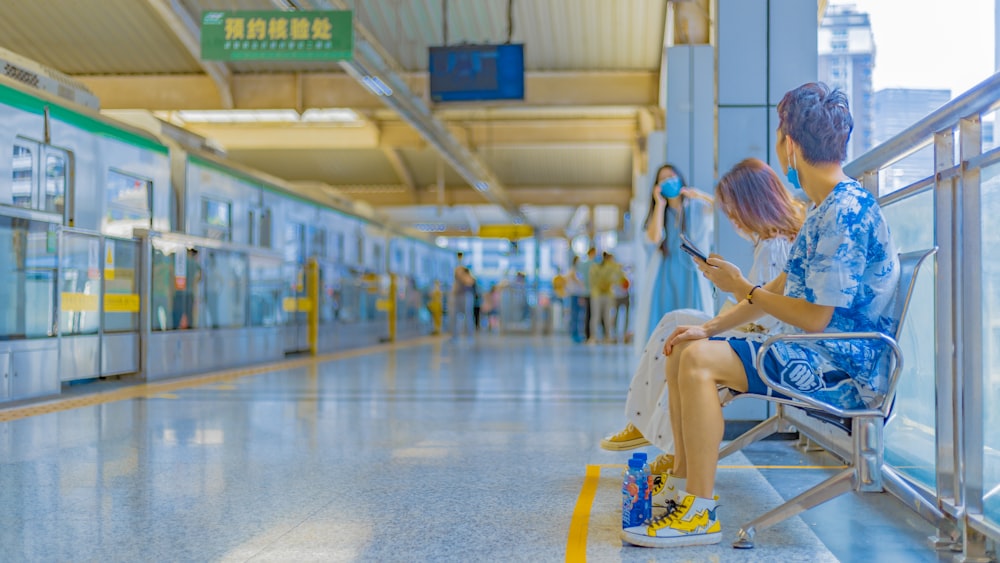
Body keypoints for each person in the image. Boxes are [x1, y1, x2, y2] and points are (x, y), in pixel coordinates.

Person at [620, 83, 899, 548]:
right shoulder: (823, 211)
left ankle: (701, 512)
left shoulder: (844, 213)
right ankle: (685, 490)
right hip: (817, 352)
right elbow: (776, 289)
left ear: (790, 145)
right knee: (687, 347)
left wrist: (741, 289)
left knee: (698, 362)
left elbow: (813, 319)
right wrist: (707, 327)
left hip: (840, 369)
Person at [600, 158, 806, 477]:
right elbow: (761, 300)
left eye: (734, 211)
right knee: (675, 321)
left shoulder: (774, 246)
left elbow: (763, 311)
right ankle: (645, 422)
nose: (733, 220)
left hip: (768, 338)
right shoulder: (773, 242)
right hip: (762, 328)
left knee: (682, 339)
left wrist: (733, 288)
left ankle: (656, 433)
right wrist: (734, 286)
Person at [636, 165, 715, 344]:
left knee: (694, 318)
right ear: (657, 187)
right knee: (665, 320)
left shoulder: (695, 206)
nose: (668, 181)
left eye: (671, 177)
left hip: (691, 273)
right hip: (666, 274)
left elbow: (721, 207)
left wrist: (699, 195)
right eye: (663, 179)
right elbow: (654, 237)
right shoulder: (658, 213)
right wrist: (660, 205)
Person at [588, 251, 625, 344]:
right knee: (596, 316)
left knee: (607, 316)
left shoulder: (613, 267)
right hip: (597, 294)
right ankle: (594, 336)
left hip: (607, 294)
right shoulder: (596, 267)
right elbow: (593, 280)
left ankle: (608, 336)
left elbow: (620, 279)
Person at [448, 252, 476, 338]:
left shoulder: (466, 271)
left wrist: (463, 277)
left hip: (465, 296)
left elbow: (470, 282)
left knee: (468, 316)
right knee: (453, 316)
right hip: (456, 296)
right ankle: (454, 336)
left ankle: (469, 335)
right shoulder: (455, 268)